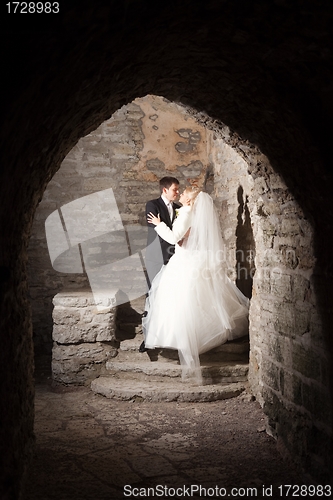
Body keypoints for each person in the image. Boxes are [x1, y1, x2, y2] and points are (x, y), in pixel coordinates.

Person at [142, 187, 250, 383]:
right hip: (191, 257)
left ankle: (185, 338)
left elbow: (175, 238)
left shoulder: (184, 212)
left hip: (184, 261)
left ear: (190, 201)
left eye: (184, 193)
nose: (181, 194)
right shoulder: (191, 213)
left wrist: (159, 225)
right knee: (197, 297)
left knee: (183, 300)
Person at [139, 176, 181, 352]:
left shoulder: (180, 209)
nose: (177, 193)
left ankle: (169, 335)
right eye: (174, 190)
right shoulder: (152, 205)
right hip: (156, 256)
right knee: (152, 296)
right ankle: (147, 338)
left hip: (175, 257)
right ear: (165, 190)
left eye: (178, 190)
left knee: (169, 297)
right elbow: (154, 227)